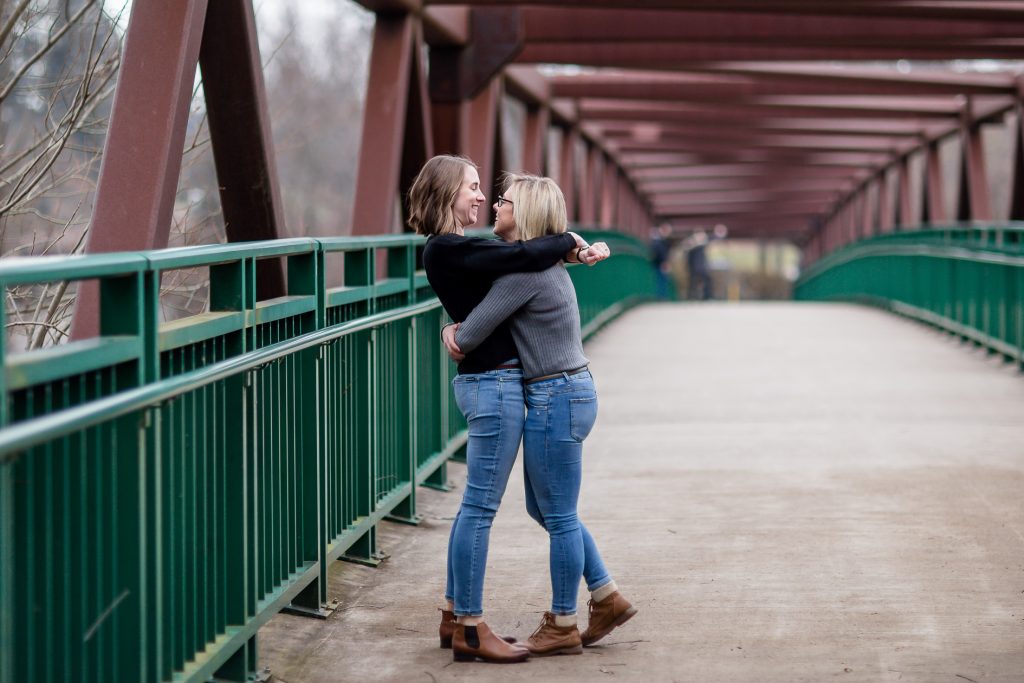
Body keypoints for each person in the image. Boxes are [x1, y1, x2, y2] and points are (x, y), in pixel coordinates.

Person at [409, 155, 606, 664]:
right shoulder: (451, 249)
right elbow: (515, 261)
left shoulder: (455, 250)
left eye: (490, 192)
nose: (482, 197)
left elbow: (517, 261)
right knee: (482, 508)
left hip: (490, 384)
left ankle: (456, 615)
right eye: (473, 188)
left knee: (483, 507)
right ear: (447, 193)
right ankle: (471, 628)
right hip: (495, 385)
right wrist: (567, 242)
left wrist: (562, 245)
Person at [445, 173, 636, 658]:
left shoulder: (523, 275)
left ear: (523, 213)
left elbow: (469, 339)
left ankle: (563, 622)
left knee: (559, 514)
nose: (494, 207)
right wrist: (572, 246)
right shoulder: (540, 265)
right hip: (568, 392)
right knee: (547, 509)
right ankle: (606, 595)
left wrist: (451, 331)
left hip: (555, 396)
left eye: (504, 202)